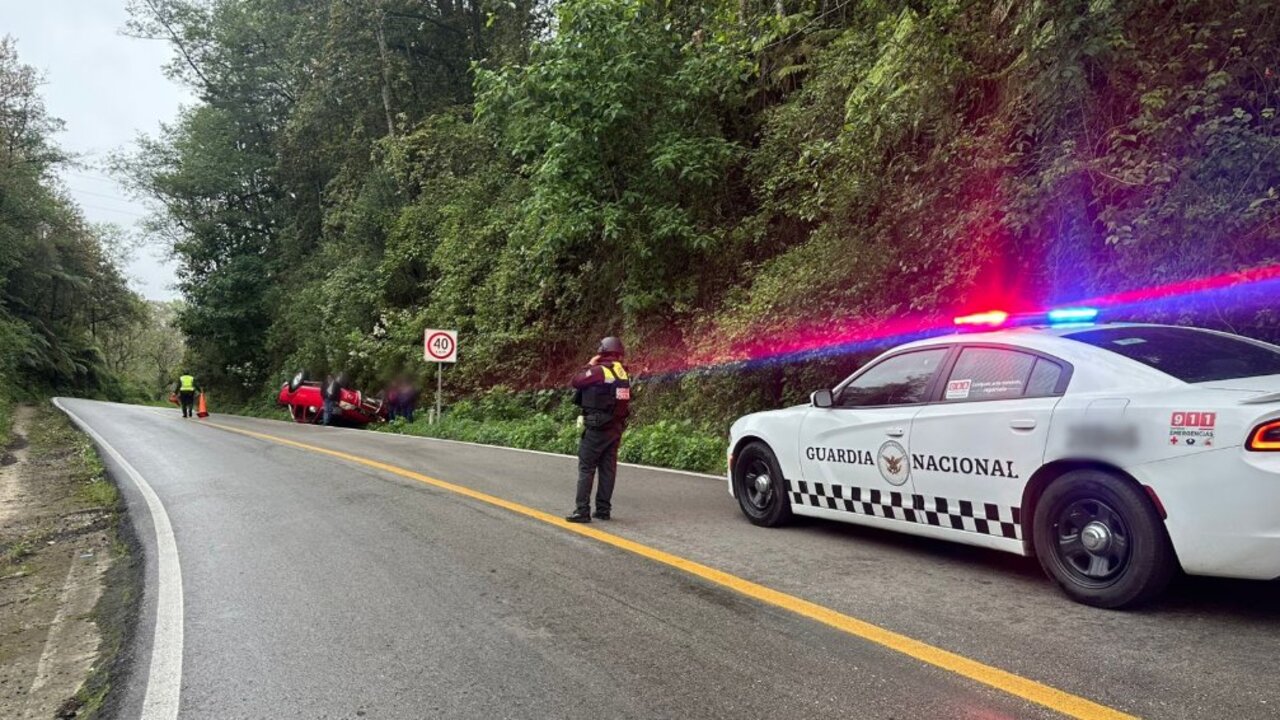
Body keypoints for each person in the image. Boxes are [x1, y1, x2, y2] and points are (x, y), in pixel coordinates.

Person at [565, 336, 630, 523]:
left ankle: (582, 511)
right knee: (608, 469)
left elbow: (577, 382)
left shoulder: (599, 370)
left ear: (602, 351)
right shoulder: (622, 372)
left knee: (586, 468)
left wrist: (588, 365)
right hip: (615, 427)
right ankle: (603, 510)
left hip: (596, 426)